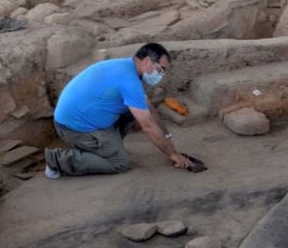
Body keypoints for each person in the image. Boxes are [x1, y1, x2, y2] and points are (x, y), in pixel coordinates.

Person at [44, 43, 194, 178]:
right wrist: (173, 154)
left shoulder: (125, 67)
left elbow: (147, 107)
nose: (161, 75)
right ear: (147, 62)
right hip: (75, 128)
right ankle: (57, 160)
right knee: (120, 163)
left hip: (81, 118)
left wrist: (166, 134)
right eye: (160, 69)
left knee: (133, 111)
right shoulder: (129, 81)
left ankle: (103, 149)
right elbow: (148, 126)